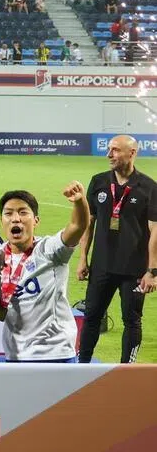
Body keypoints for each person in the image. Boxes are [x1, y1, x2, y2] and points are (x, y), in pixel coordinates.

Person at [77, 135, 157, 363]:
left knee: (132, 320)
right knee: (91, 316)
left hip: (134, 270)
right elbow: (88, 223)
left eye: (115, 150)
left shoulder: (149, 187)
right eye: (109, 149)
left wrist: (152, 271)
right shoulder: (98, 182)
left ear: (132, 153)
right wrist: (82, 258)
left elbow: (155, 231)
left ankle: (127, 370)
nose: (109, 155)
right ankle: (82, 366)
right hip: (101, 266)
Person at [0, 184, 89, 362]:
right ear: (1, 220)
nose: (15, 219)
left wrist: (80, 202)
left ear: (36, 220)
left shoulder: (49, 250)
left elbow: (78, 225)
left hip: (55, 352)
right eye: (9, 213)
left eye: (23, 212)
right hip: (15, 354)